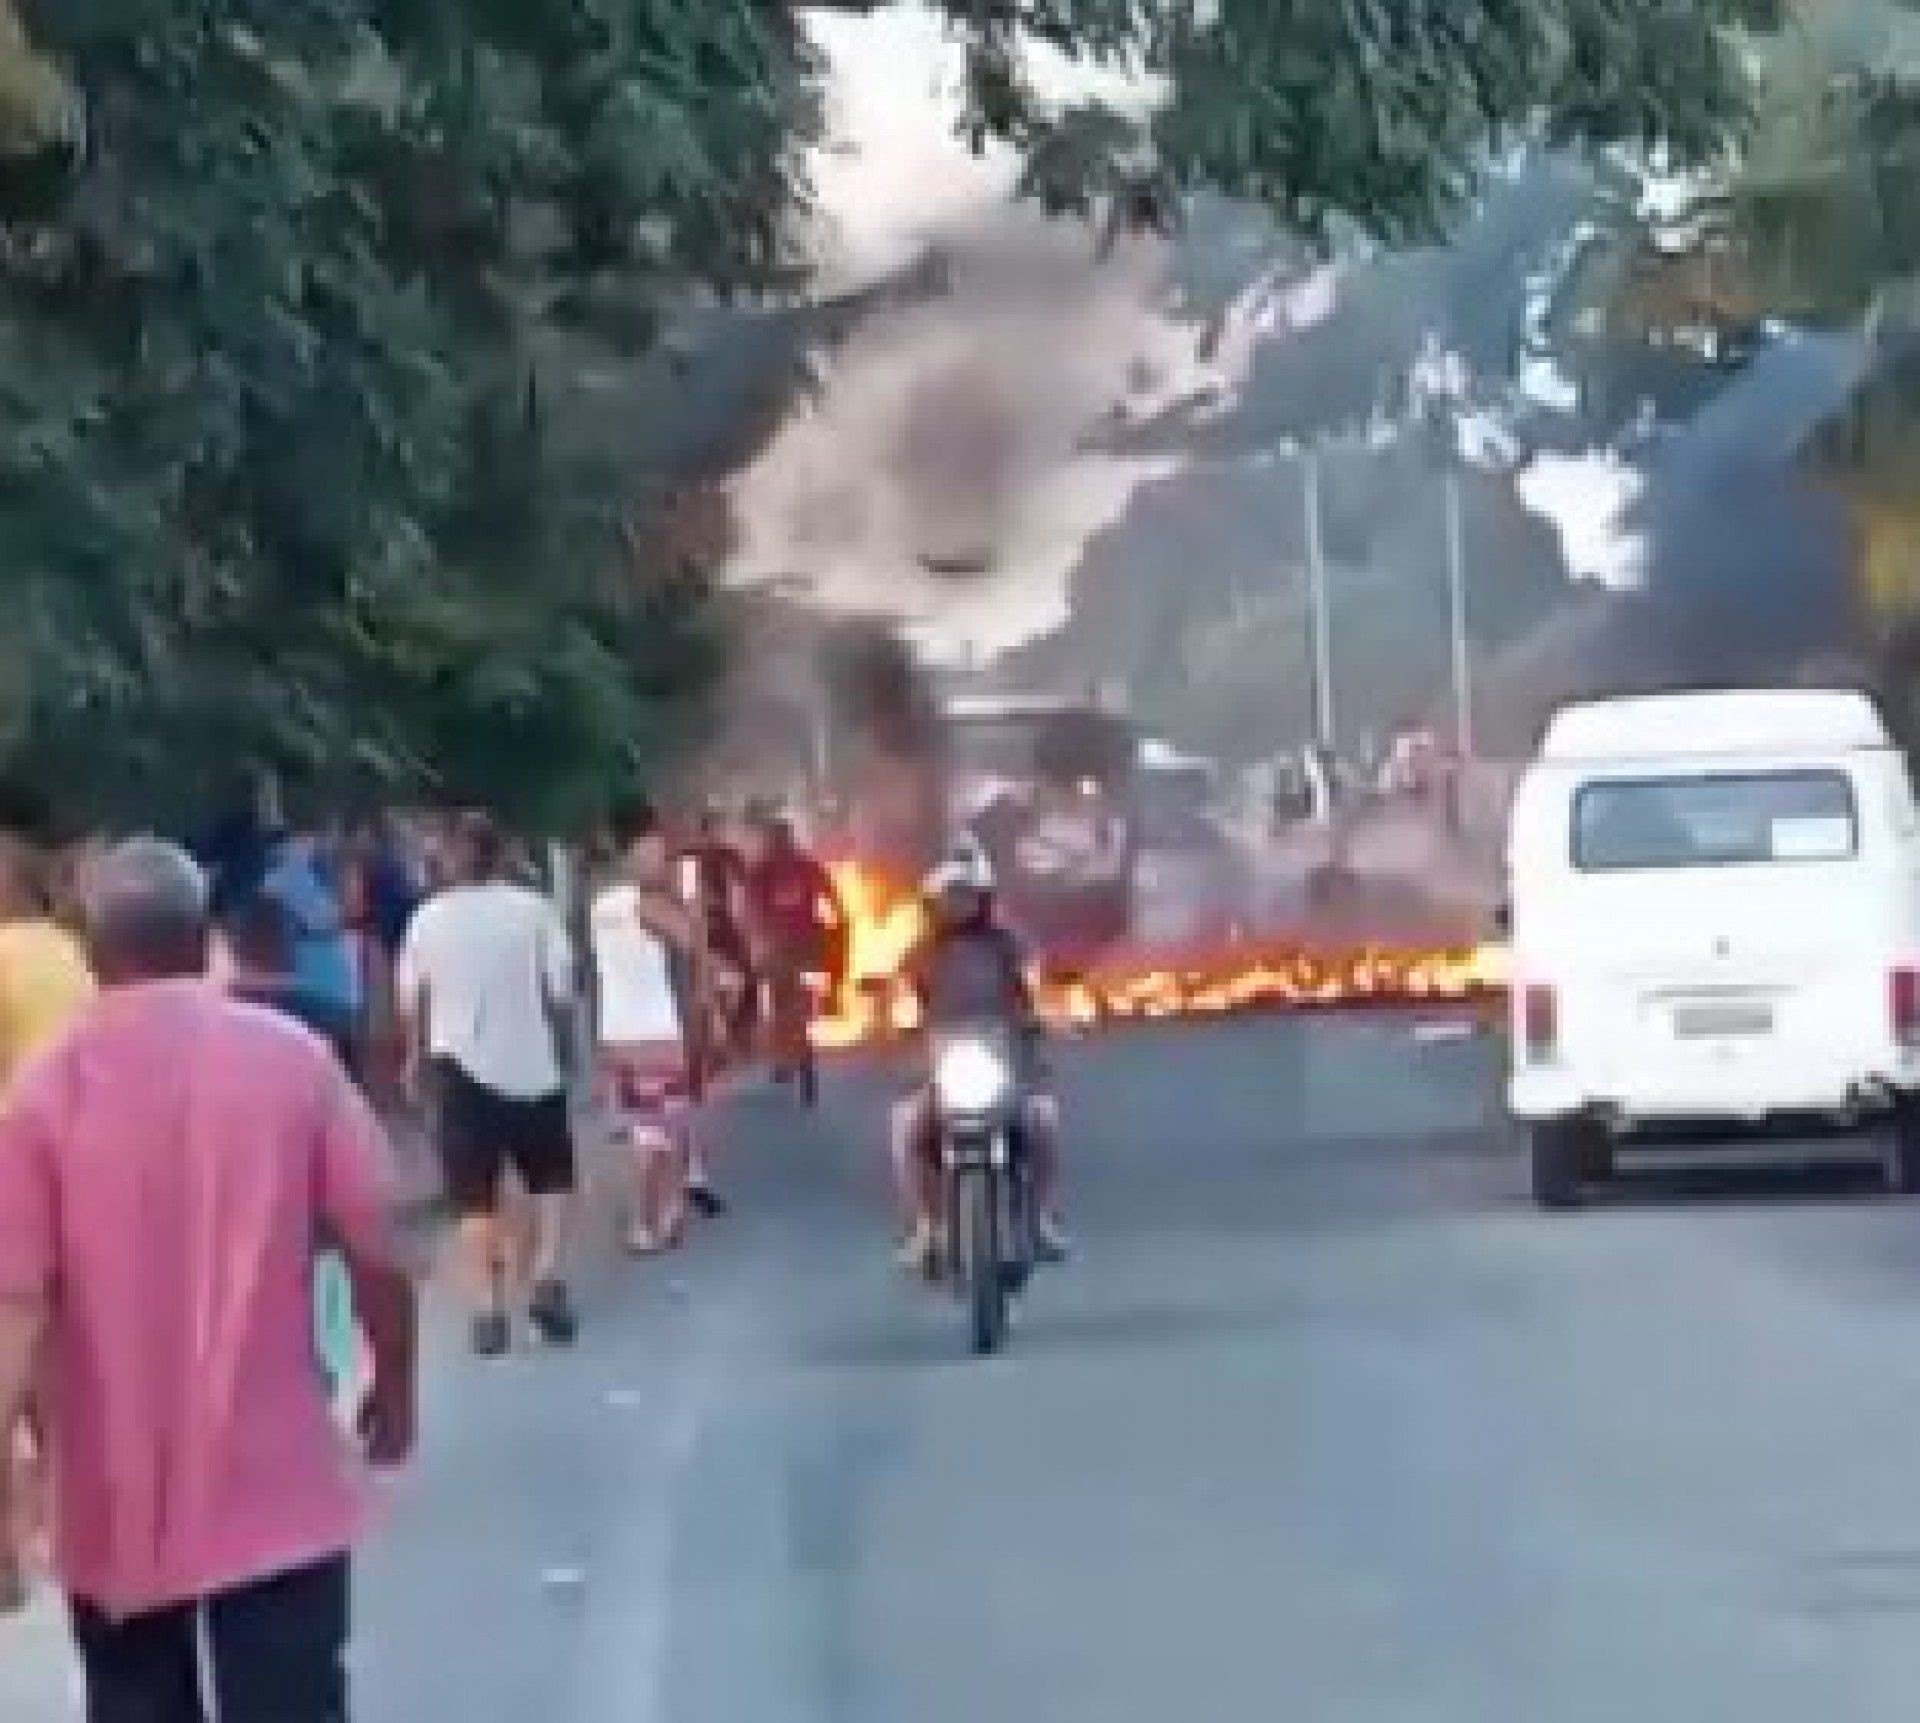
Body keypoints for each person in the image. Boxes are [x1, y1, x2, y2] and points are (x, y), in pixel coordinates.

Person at [0, 838, 417, 1720]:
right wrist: (397, 1386)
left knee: (135, 1701)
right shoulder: (292, 1059)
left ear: (90, 948)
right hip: (276, 1481)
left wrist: (7, 1496)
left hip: (113, 1496)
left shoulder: (43, 1095)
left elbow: (13, 1314)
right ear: (204, 937)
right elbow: (377, 1241)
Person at [397, 811, 580, 1356]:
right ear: (501, 856)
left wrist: (413, 1060)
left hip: (459, 1071)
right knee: (551, 1180)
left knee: (474, 1197)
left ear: (450, 861)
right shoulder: (535, 912)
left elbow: (414, 1000)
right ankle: (546, 1277)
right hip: (531, 1065)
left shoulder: (427, 919)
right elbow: (562, 994)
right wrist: (565, 1049)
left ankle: (487, 1310)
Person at [887, 840, 1068, 1274]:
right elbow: (899, 995)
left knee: (1042, 1121)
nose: (958, 905)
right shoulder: (920, 952)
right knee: (906, 1127)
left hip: (1006, 1060)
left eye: (966, 896)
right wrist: (899, 1019)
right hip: (944, 1065)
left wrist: (1047, 1015)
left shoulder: (1009, 945)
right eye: (950, 897)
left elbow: (1036, 983)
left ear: (984, 899)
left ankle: (1038, 1220)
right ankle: (930, 1227)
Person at [591, 799, 708, 1255]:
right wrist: (692, 902)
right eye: (655, 853)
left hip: (616, 1032)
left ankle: (661, 1214)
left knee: (651, 1130)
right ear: (633, 855)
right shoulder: (647, 905)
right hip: (655, 1033)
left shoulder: (601, 904)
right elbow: (693, 942)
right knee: (661, 1130)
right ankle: (653, 1218)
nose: (661, 862)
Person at [745, 804, 844, 1091]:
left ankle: (785, 1059)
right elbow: (833, 900)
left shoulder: (762, 870)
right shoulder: (806, 865)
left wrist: (758, 937)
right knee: (793, 991)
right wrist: (835, 922)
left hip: (784, 948)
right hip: (807, 945)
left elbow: (752, 911)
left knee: (780, 1000)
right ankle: (829, 998)